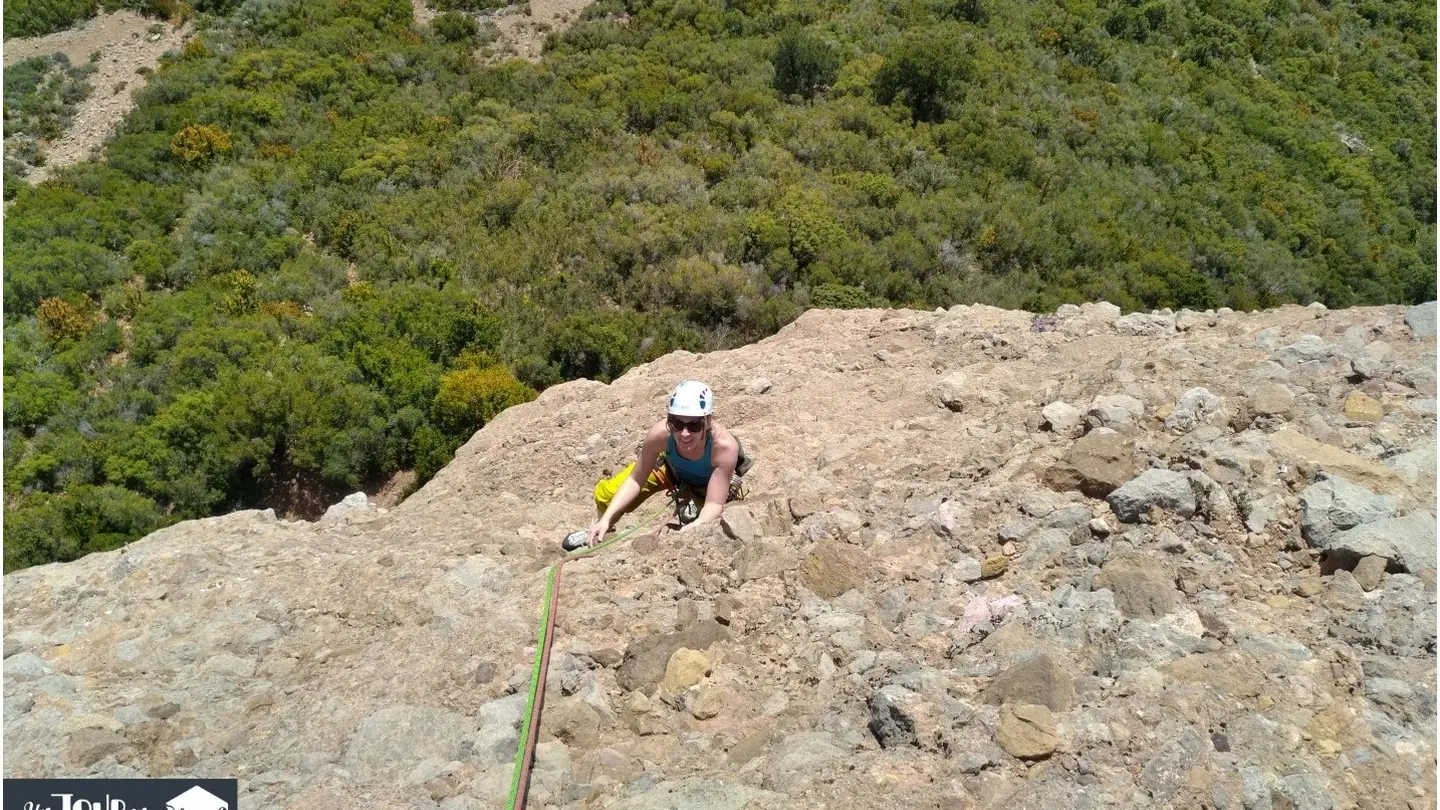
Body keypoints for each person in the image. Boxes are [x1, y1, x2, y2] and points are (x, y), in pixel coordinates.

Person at [563, 380, 751, 551]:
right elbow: (637, 478)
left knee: (704, 523)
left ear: (708, 422)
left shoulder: (724, 447)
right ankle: (601, 530)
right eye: (676, 423)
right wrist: (606, 518)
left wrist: (691, 529)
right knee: (607, 494)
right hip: (671, 470)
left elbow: (714, 503)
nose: (684, 433)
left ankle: (691, 510)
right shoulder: (661, 434)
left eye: (694, 425)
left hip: (709, 485)